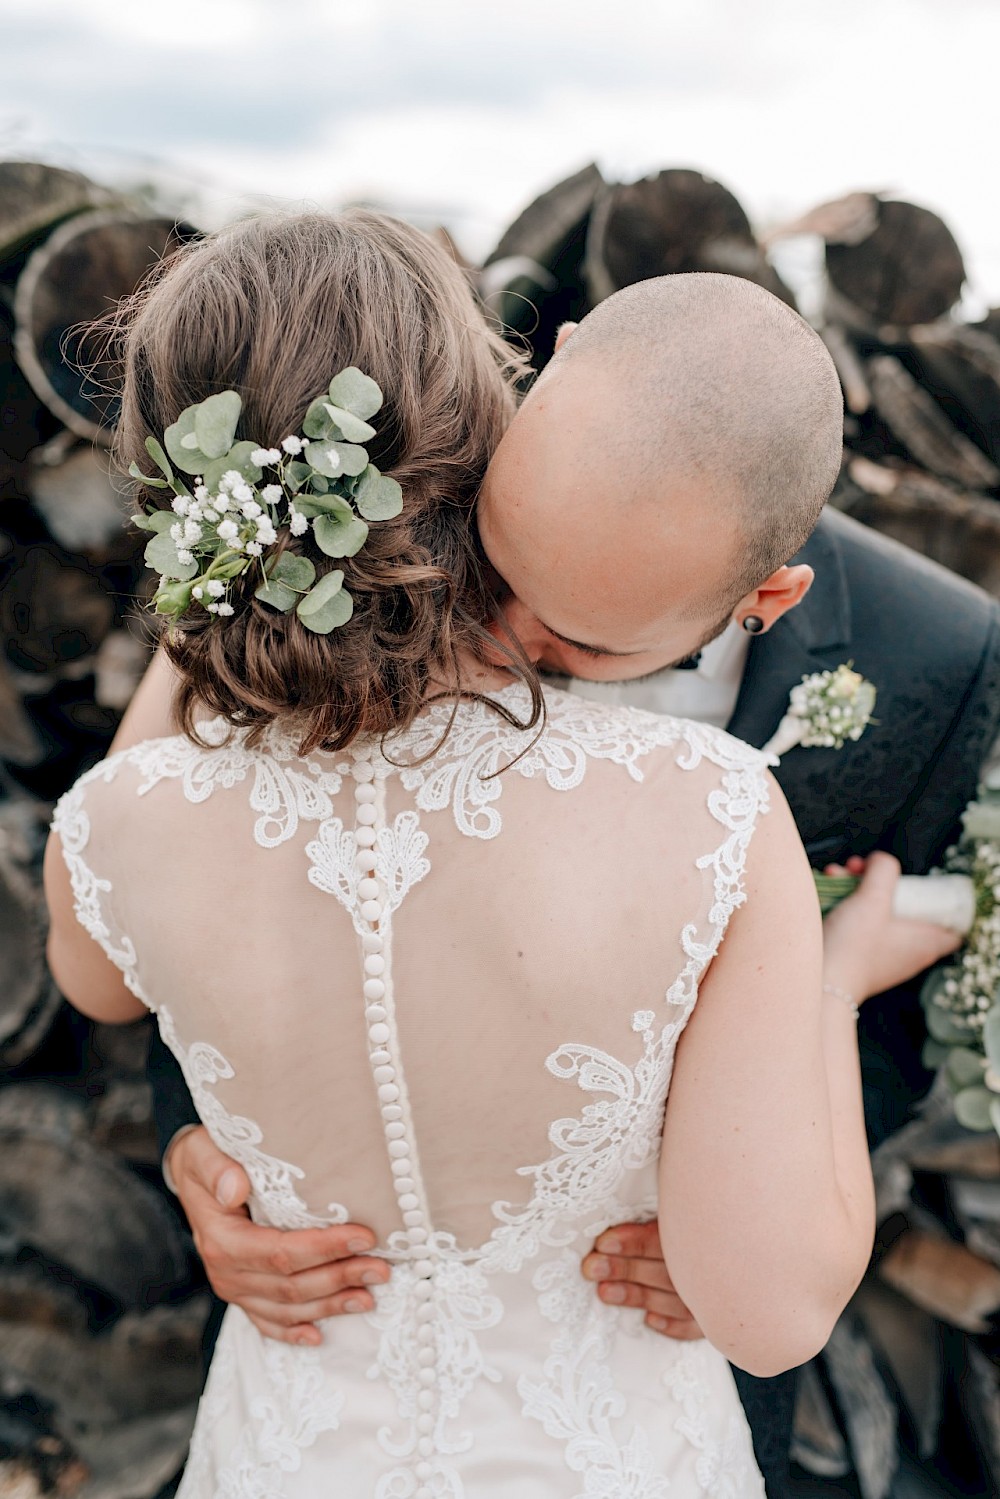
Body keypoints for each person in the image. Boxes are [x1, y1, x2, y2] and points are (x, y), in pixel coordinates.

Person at [45, 210, 957, 1498]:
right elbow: (772, 1313)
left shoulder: (113, 822)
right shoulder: (710, 810)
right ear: (485, 429)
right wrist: (824, 983)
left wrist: (224, 589)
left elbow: (96, 982)